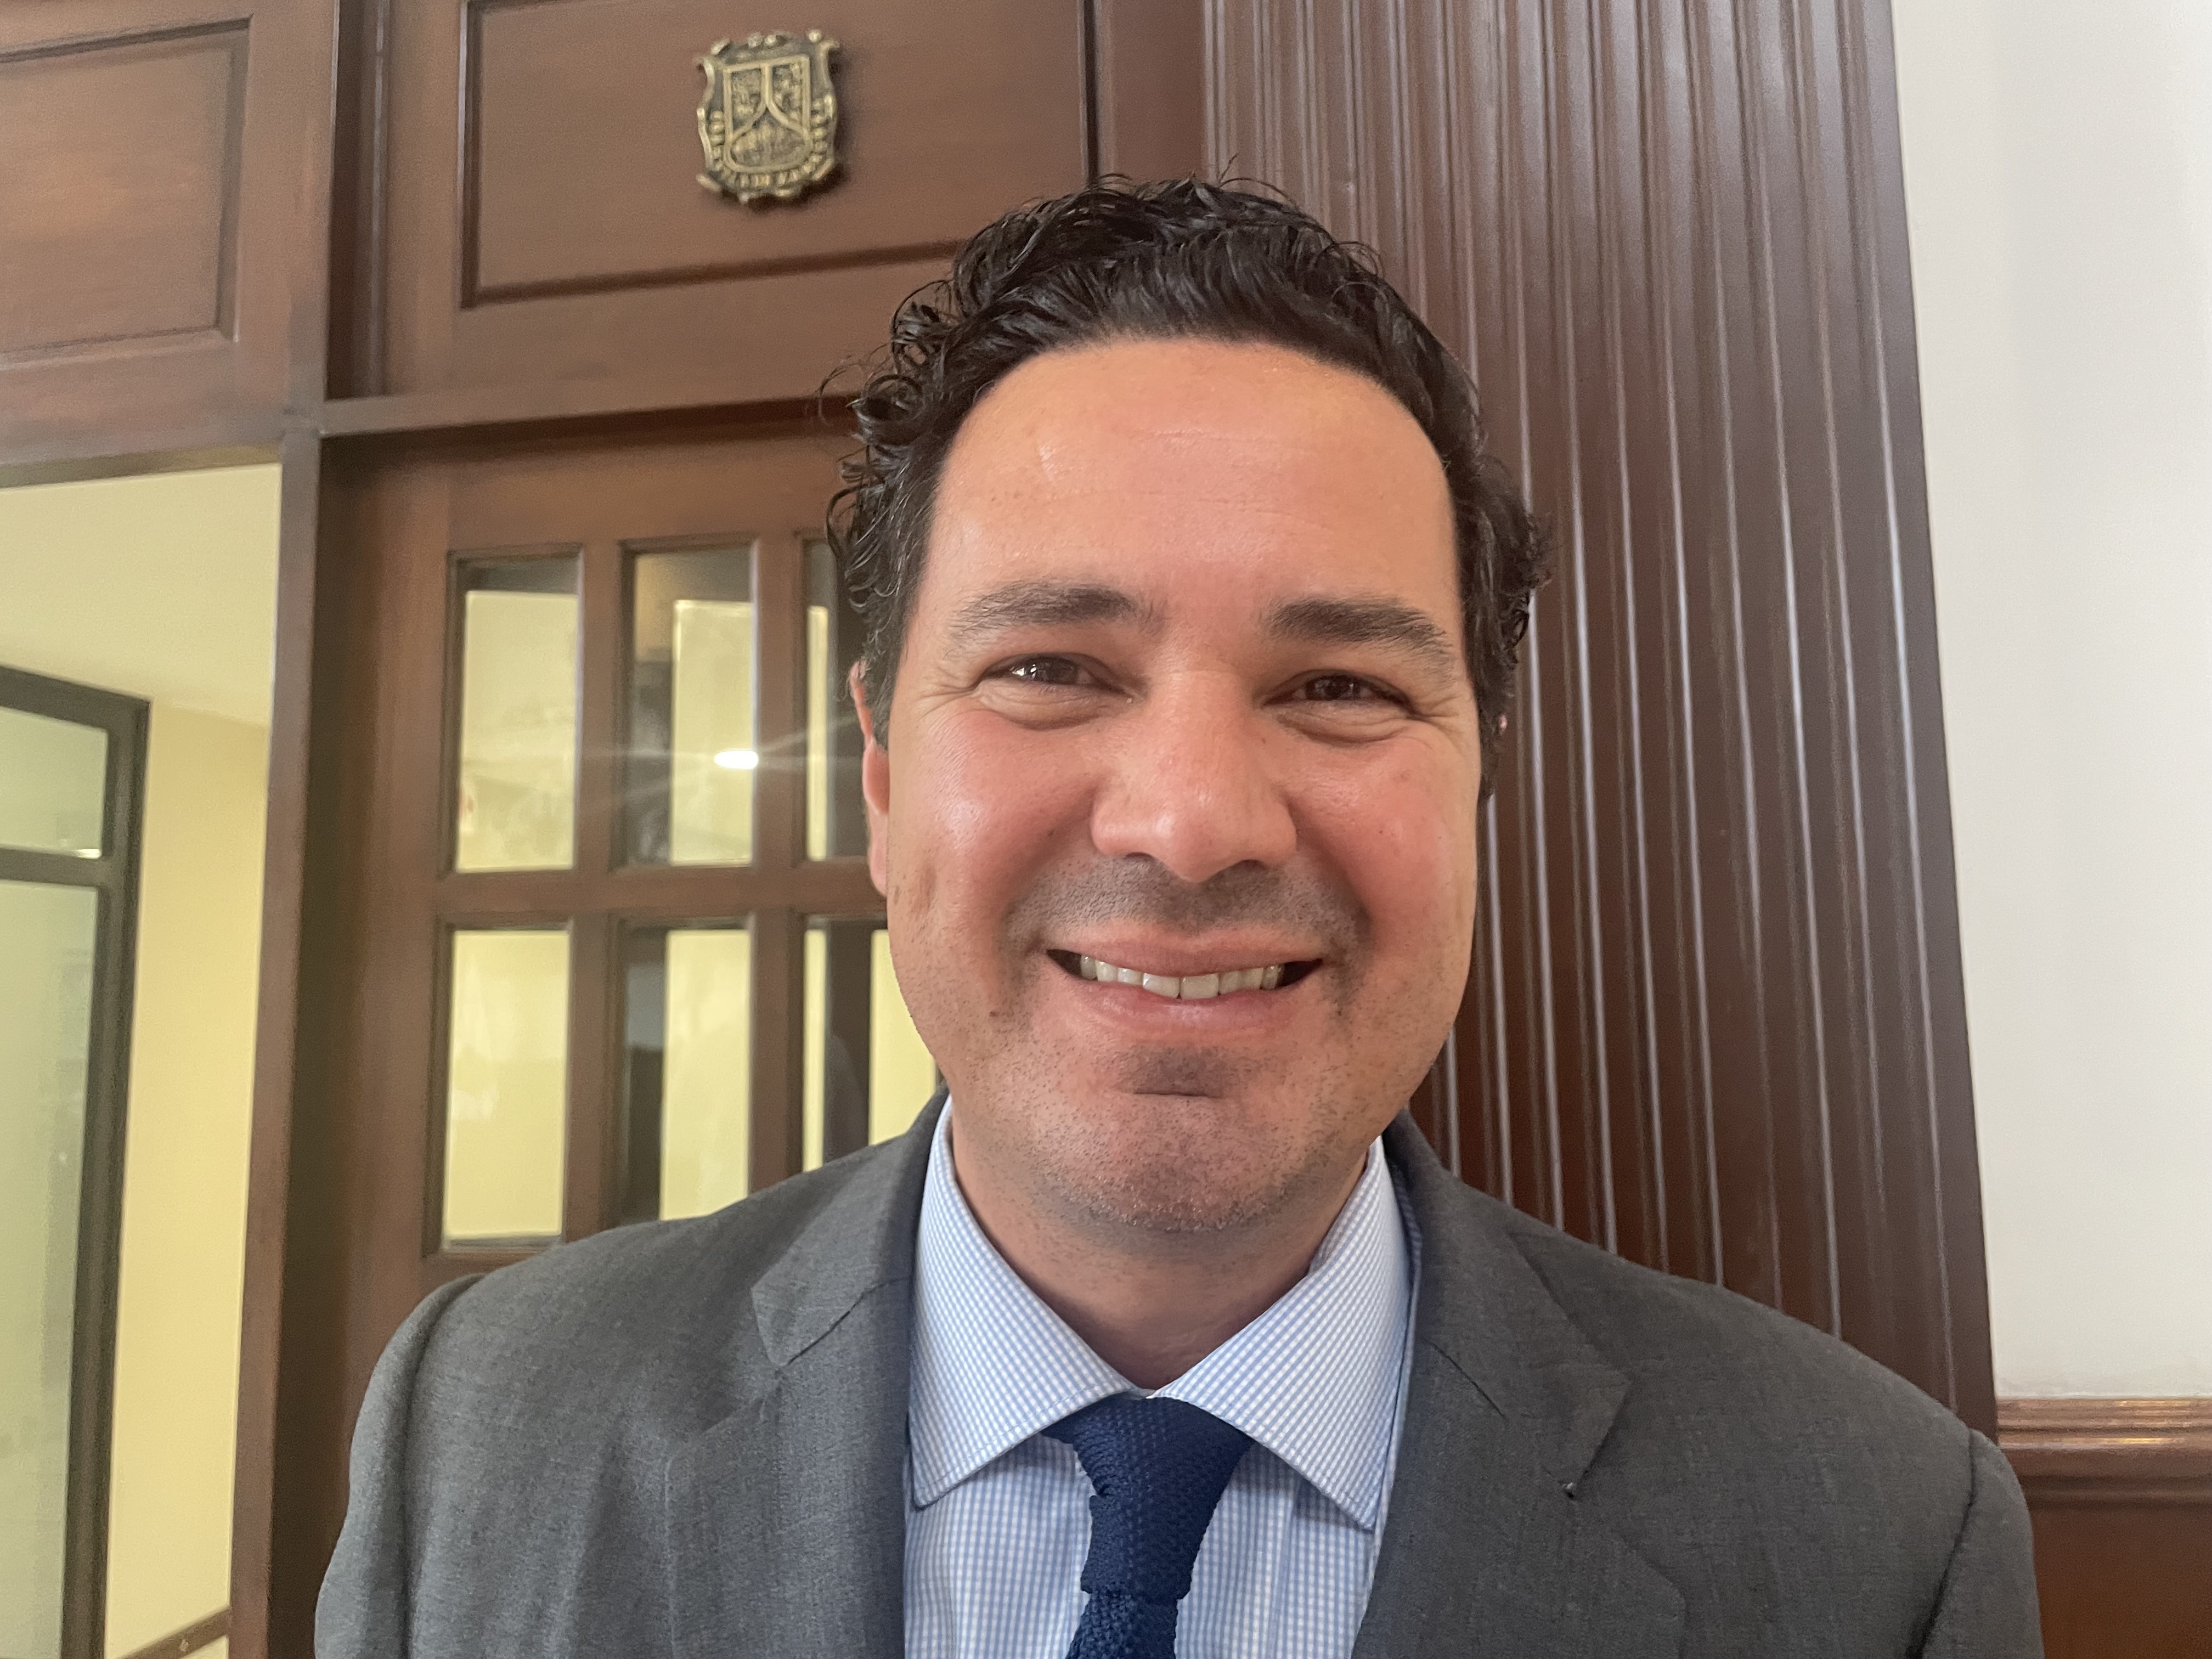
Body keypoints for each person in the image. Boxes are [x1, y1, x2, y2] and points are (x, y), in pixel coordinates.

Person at [317, 180, 2041, 1658]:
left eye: (1340, 686)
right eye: (1052, 669)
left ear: (1475, 785)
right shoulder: (484, 1433)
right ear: (882, 779)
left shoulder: (1875, 1542)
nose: (1193, 821)